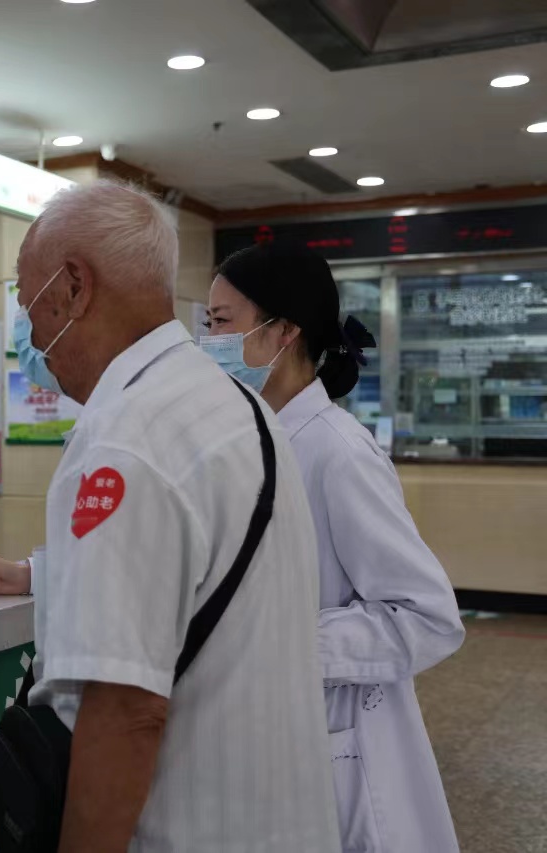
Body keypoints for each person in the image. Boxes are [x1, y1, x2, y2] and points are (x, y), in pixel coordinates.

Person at [0, 181, 339, 852]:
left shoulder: (123, 440)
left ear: (74, 286)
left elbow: (124, 710)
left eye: (28, 305)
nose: (30, 333)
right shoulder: (235, 405)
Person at [203, 242, 464, 853]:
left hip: (332, 742)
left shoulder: (338, 452)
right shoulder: (248, 437)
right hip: (256, 737)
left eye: (221, 323)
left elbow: (428, 616)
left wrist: (279, 643)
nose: (209, 343)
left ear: (284, 331)